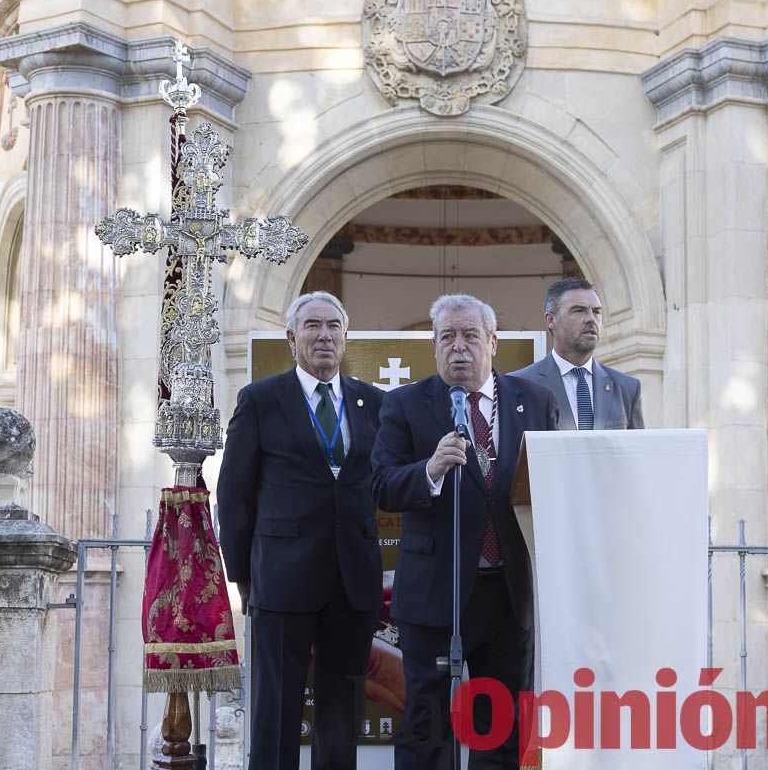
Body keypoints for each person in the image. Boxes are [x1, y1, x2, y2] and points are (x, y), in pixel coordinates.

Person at [371, 293, 559, 768]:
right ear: (434, 346)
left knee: (501, 728)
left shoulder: (534, 402)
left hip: (508, 595)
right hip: (437, 593)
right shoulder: (405, 405)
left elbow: (554, 481)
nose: (458, 347)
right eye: (447, 337)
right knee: (426, 726)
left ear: (493, 342)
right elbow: (380, 486)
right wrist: (429, 470)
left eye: (470, 335)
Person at [216, 291, 384, 770]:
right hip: (281, 579)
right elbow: (234, 494)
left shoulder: (372, 402)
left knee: (340, 716)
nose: (324, 335)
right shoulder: (261, 400)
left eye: (334, 325)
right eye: (312, 326)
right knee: (277, 711)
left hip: (352, 581)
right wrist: (243, 575)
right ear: (292, 339)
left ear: (345, 336)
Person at [511, 277, 644, 430]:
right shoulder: (518, 385)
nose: (591, 319)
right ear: (551, 320)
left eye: (596, 312)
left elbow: (637, 451)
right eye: (579, 311)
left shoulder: (627, 388)